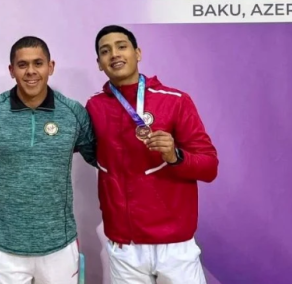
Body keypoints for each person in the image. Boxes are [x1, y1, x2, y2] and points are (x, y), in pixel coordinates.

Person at [85, 25, 219, 284]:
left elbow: (210, 166)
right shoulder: (94, 106)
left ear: (138, 53)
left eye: (121, 46)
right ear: (99, 63)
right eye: (105, 51)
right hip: (125, 245)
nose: (114, 54)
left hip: (174, 243)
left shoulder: (175, 100)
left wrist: (175, 156)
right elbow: (95, 156)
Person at [0, 36, 96, 284]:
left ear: (50, 67)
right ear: (11, 70)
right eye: (22, 65)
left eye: (38, 63)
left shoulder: (73, 112)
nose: (31, 71)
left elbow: (104, 159)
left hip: (59, 246)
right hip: (4, 247)